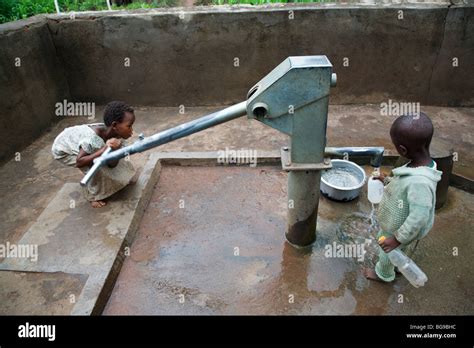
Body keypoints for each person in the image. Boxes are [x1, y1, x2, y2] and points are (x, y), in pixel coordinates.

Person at [364, 112, 442, 282]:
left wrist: (397, 239)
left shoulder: (420, 182)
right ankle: (400, 265)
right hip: (402, 227)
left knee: (387, 251)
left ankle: (383, 274)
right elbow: (404, 187)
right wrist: (388, 181)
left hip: (397, 228)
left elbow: (419, 216)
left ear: (403, 150)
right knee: (402, 250)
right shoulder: (422, 165)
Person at [52, 101, 136, 208]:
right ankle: (93, 196)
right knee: (95, 164)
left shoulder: (114, 134)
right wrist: (105, 149)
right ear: (115, 125)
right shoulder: (92, 139)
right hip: (63, 149)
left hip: (80, 142)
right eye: (129, 126)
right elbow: (80, 161)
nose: (132, 131)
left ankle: (121, 180)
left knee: (116, 155)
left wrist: (114, 150)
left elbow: (112, 164)